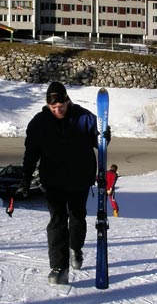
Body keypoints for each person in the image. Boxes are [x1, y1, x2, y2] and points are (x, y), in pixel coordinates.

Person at [17, 81, 110, 286]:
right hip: (53, 181)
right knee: (57, 221)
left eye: (61, 106)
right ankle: (59, 267)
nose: (58, 110)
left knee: (77, 218)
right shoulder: (39, 123)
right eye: (53, 108)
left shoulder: (84, 117)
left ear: (67, 100)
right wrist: (25, 177)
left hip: (80, 179)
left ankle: (75, 249)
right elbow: (31, 153)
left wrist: (105, 135)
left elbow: (100, 140)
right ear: (48, 106)